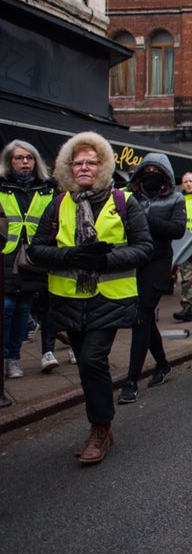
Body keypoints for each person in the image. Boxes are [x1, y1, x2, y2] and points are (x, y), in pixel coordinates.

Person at [28, 132, 153, 465]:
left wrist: (104, 261)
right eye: (78, 162)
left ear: (104, 166)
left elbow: (145, 248)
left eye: (91, 162)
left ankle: (99, 430)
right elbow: (36, 249)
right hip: (68, 300)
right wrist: (69, 257)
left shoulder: (124, 202)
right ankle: (103, 425)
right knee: (86, 367)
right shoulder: (58, 203)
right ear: (69, 167)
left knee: (91, 360)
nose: (84, 167)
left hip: (110, 299)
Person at [117, 154, 186, 404]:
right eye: (148, 168)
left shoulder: (176, 198)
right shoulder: (127, 196)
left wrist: (143, 218)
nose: (152, 172)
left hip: (158, 261)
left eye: (158, 169)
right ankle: (163, 364)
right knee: (144, 318)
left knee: (140, 317)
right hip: (132, 260)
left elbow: (177, 229)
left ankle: (130, 381)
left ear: (166, 174)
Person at [1, 140, 57, 377]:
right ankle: (4, 355)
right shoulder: (2, 186)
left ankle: (13, 360)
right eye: (19, 158)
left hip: (33, 258)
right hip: (5, 255)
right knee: (7, 307)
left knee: (23, 309)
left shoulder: (46, 188)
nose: (25, 162)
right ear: (9, 162)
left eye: (29, 158)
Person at [173, 172, 192, 322]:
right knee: (187, 279)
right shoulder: (178, 200)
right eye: (185, 181)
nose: (188, 184)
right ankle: (187, 307)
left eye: (191, 181)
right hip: (184, 246)